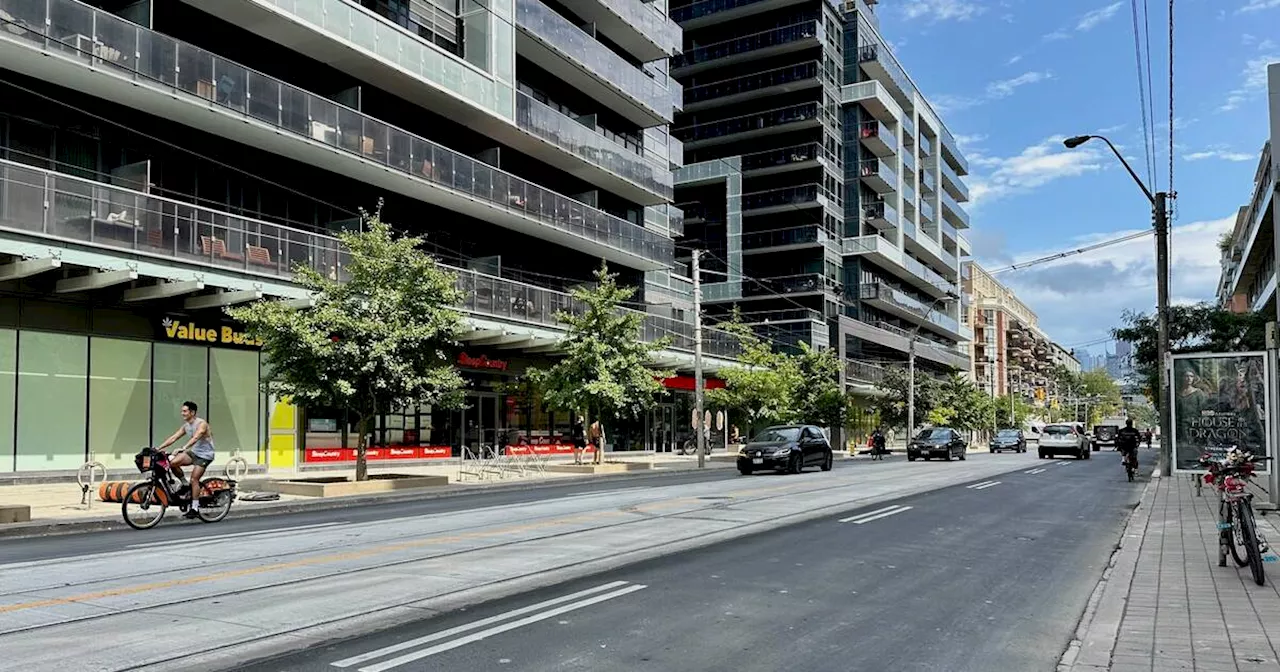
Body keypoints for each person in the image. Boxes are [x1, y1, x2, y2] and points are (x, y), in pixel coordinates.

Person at [155, 401, 215, 518]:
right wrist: (159, 448)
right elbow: (174, 437)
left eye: (185, 411)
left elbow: (196, 436)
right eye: (182, 411)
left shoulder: (201, 424)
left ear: (192, 412)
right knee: (172, 463)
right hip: (194, 452)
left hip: (205, 455)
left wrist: (183, 448)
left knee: (194, 479)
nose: (182, 413)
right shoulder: (186, 426)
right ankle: (184, 484)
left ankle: (195, 508)